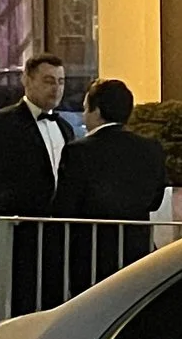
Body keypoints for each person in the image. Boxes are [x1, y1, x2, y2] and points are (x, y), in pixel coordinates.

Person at [0, 53, 81, 315]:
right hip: (20, 229)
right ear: (27, 80)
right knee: (20, 302)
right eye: (48, 81)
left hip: (58, 231)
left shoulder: (66, 128)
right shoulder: (0, 124)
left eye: (60, 81)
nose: (56, 88)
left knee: (55, 303)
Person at [55, 78, 169, 291]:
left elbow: (65, 206)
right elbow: (155, 201)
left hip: (91, 252)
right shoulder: (151, 148)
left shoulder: (79, 151)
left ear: (96, 111)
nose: (83, 115)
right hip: (138, 248)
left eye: (85, 108)